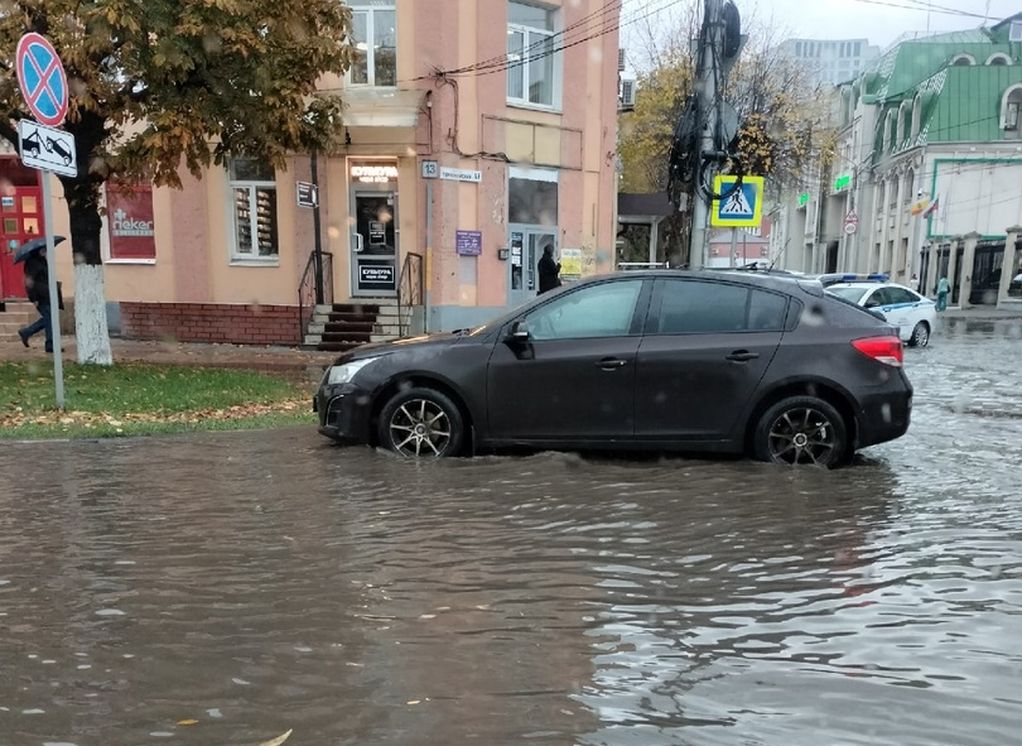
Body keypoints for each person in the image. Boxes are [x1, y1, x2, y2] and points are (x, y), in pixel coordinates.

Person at [17, 247, 57, 352]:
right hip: (39, 295)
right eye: (43, 250)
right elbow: (29, 282)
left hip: (47, 294)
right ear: (36, 251)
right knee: (50, 318)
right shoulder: (32, 263)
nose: (45, 251)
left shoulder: (42, 261)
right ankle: (49, 344)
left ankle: (28, 332)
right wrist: (33, 298)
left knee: (50, 318)